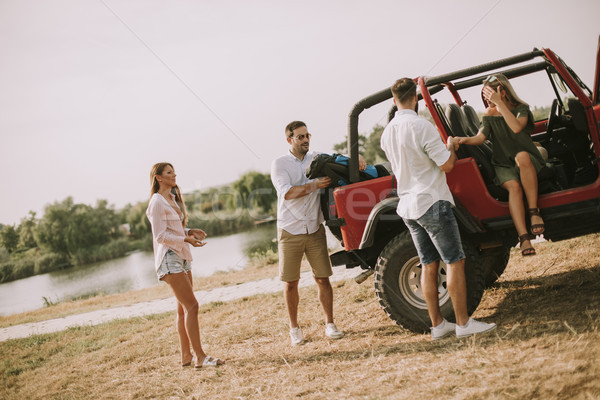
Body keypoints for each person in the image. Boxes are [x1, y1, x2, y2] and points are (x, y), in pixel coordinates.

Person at [380, 78, 496, 340]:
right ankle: (464, 324)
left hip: (408, 206)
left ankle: (438, 325)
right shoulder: (422, 126)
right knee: (455, 260)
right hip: (432, 201)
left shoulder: (387, 133)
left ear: (394, 98)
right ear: (416, 98)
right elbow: (446, 166)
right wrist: (451, 148)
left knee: (428, 264)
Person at [271, 121, 366, 345]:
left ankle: (330, 324)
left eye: (307, 135)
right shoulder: (279, 164)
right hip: (289, 230)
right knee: (291, 282)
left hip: (314, 228)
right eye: (300, 137)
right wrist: (315, 185)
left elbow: (338, 158)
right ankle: (294, 329)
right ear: (289, 140)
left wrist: (357, 158)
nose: (305, 140)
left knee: (322, 278)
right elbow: (287, 193)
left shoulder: (316, 157)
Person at [146, 162, 224, 369]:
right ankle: (201, 357)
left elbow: (173, 229)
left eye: (174, 172)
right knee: (192, 306)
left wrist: (189, 232)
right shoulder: (156, 202)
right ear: (159, 178)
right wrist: (185, 240)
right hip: (169, 258)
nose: (174, 175)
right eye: (169, 173)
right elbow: (160, 236)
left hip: (182, 257)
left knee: (183, 310)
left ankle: (186, 356)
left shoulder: (171, 199)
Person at [457, 74, 545, 256]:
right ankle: (524, 238)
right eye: (484, 96)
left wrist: (500, 105)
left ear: (502, 92)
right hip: (503, 164)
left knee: (521, 157)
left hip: (527, 159)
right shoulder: (489, 115)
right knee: (513, 186)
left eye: (489, 94)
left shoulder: (522, 108)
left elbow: (516, 127)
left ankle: (534, 212)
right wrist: (463, 139)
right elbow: (480, 138)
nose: (486, 99)